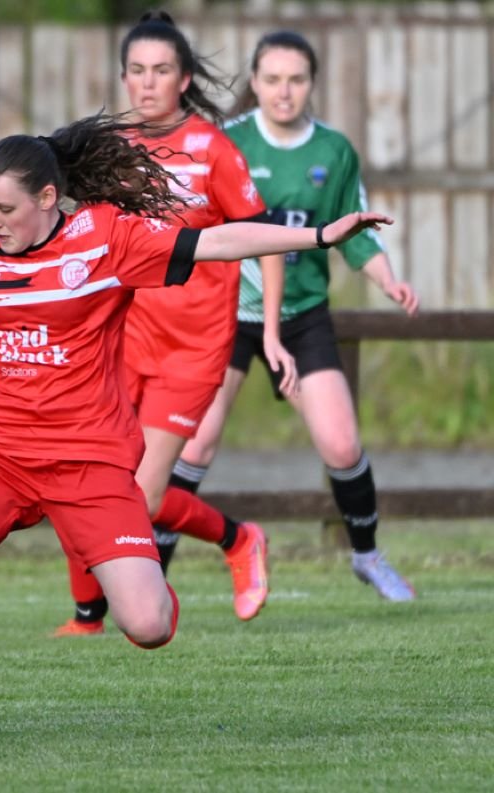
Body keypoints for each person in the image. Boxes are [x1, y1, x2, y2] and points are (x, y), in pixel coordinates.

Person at [0, 111, 394, 760]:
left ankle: (154, 584)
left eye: (6, 208)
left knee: (146, 624)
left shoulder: (106, 238)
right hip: (1, 454)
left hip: (91, 464)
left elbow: (216, 242)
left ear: (48, 199)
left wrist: (319, 236)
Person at [53, 10, 297, 635]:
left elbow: (265, 240)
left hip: (193, 346)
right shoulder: (111, 151)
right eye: (136, 70)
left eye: (161, 70)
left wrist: (268, 329)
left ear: (185, 79)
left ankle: (240, 539)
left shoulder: (213, 150)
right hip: (120, 338)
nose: (147, 83)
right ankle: (88, 618)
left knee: (144, 496)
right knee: (90, 472)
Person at [174, 30, 420, 601]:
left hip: (304, 315)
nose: (284, 92)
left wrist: (390, 281)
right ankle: (149, 572)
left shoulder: (333, 152)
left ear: (312, 84)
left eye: (297, 80)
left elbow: (353, 234)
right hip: (228, 314)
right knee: (194, 444)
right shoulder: (223, 143)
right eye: (273, 79)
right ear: (255, 83)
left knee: (340, 444)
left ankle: (367, 556)